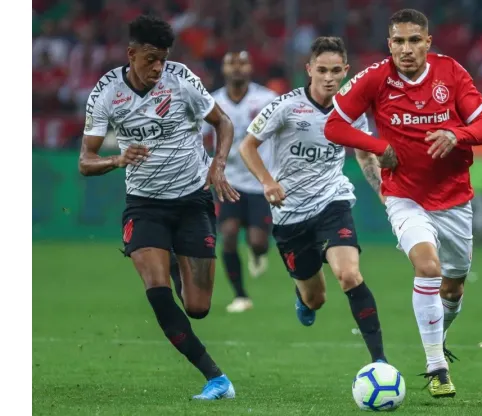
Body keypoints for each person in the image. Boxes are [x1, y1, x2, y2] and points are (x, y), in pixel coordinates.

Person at [324, 9, 482, 398]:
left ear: (427, 42)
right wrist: (377, 146)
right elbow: (334, 125)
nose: (406, 49)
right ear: (389, 44)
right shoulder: (374, 78)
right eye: (398, 41)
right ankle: (436, 367)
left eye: (414, 40)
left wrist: (456, 134)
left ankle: (437, 334)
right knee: (427, 266)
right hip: (405, 196)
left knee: (452, 289)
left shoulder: (451, 73)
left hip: (454, 199)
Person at [77, 15, 239, 400]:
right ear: (131, 53)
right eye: (150, 58)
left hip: (192, 199)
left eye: (162, 59)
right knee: (158, 290)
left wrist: (217, 164)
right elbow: (86, 160)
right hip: (145, 205)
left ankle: (172, 260)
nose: (157, 68)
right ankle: (216, 378)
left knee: (198, 307)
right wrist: (117, 159)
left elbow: (224, 123)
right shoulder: (106, 93)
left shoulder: (181, 80)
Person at [239, 37, 387, 364]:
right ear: (309, 70)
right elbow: (247, 146)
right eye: (322, 70)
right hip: (289, 214)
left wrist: (384, 195)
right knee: (315, 299)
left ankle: (380, 362)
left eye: (336, 70)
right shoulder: (286, 106)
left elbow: (364, 155)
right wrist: (267, 182)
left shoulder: (352, 110)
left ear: (346, 71)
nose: (329, 77)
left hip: (332, 202)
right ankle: (303, 298)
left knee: (349, 275)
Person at [204, 51, 278, 313]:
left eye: (242, 63)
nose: (237, 69)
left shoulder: (267, 99)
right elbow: (200, 137)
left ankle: (258, 254)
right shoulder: (212, 102)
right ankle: (240, 296)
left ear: (250, 68)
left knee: (258, 241)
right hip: (229, 183)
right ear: (223, 70)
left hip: (260, 183)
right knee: (229, 234)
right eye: (231, 64)